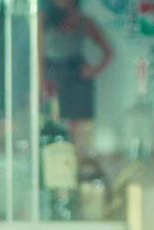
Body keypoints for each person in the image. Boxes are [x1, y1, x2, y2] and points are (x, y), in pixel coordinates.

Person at [40, 0, 113, 148]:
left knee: (78, 127)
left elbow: (109, 52)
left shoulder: (84, 21)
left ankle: (79, 158)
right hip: (51, 75)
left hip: (76, 75)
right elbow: (36, 54)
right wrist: (41, 80)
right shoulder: (43, 19)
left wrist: (94, 70)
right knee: (49, 121)